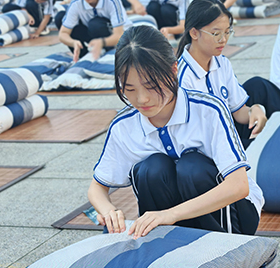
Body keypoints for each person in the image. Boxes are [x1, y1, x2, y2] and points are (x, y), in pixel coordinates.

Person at [88, 25, 264, 238]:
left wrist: (170, 214)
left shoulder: (208, 110)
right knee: (151, 168)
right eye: (130, 89)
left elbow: (239, 186)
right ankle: (162, 242)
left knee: (192, 166)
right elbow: (97, 188)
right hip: (172, 218)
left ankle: (220, 246)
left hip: (234, 218)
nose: (142, 99)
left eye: (151, 86)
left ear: (173, 70)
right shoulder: (124, 125)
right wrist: (108, 211)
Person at [177, 0, 280, 149]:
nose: (223, 40)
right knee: (273, 146)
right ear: (194, 33)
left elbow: (237, 111)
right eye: (216, 34)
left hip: (228, 131)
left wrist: (254, 110)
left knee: (258, 85)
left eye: (227, 32)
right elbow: (197, 137)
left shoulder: (221, 62)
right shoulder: (183, 78)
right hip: (209, 146)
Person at [59, 0, 132, 61]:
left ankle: (109, 51)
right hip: (92, 34)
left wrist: (102, 42)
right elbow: (63, 33)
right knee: (60, 17)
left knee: (95, 24)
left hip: (113, 36)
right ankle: (83, 56)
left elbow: (119, 34)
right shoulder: (77, 2)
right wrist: (73, 42)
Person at [124, 0, 189, 38]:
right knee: (153, 6)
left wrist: (168, 30)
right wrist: (137, 4)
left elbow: (183, 27)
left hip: (171, 23)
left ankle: (172, 36)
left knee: (166, 9)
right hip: (156, 16)